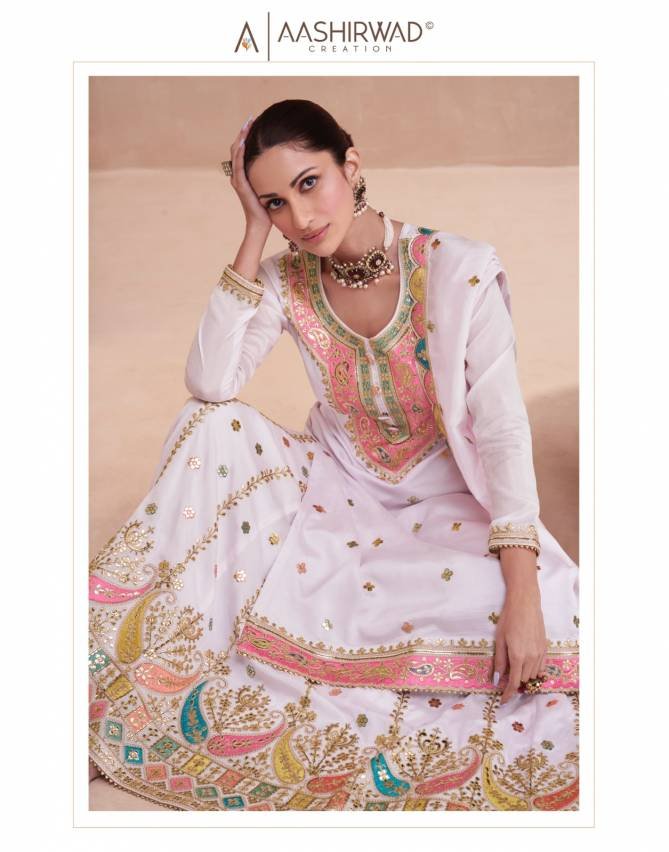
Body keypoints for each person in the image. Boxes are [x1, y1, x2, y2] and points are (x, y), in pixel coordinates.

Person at [89, 99, 579, 811]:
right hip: (332, 494)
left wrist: (523, 592)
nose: (299, 217)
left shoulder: (459, 270)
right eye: (275, 203)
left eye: (309, 183)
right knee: (211, 424)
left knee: (543, 628)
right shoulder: (285, 279)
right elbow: (212, 382)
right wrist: (252, 234)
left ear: (351, 165)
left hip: (448, 510)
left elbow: (501, 428)